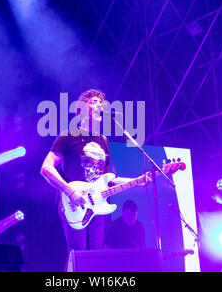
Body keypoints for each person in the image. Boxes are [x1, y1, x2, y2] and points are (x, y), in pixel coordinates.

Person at [40, 89, 148, 254]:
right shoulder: (68, 135)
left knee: (95, 256)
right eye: (93, 102)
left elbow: (109, 179)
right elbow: (46, 168)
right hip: (74, 204)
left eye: (101, 103)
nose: (99, 105)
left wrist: (138, 180)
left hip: (97, 206)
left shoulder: (103, 140)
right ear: (80, 110)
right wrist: (70, 192)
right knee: (79, 256)